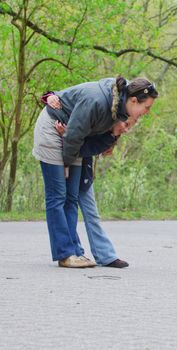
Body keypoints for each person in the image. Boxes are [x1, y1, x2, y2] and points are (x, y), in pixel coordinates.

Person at [33, 76, 158, 268]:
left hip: (72, 140)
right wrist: (66, 164)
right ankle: (64, 254)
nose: (146, 112)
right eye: (147, 107)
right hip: (53, 129)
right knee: (58, 195)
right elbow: (74, 133)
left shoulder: (119, 110)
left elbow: (82, 139)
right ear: (133, 100)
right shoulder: (98, 101)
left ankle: (75, 251)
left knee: (72, 196)